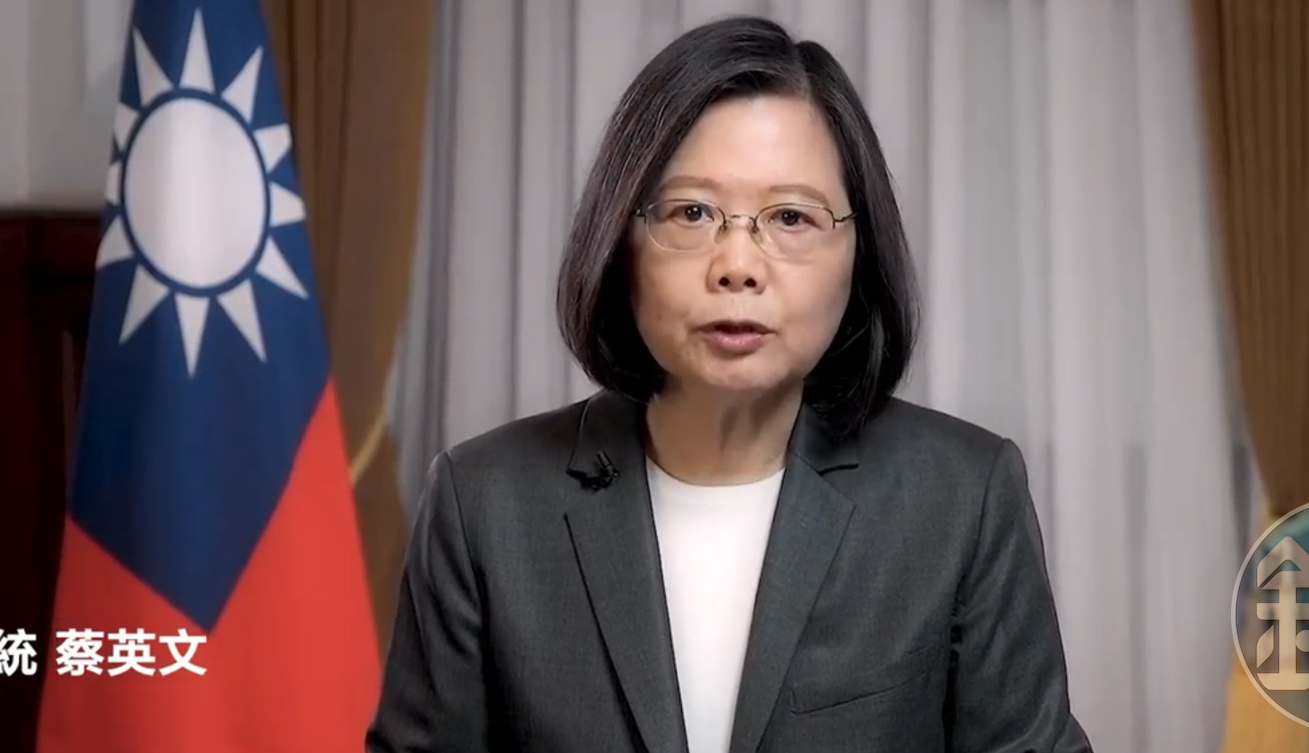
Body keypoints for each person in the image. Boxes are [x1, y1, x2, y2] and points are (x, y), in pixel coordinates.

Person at [366, 15, 1092, 753]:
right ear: (620, 241)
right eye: (692, 212)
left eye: (790, 217)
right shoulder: (484, 504)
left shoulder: (961, 497)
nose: (738, 265)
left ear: (858, 250)